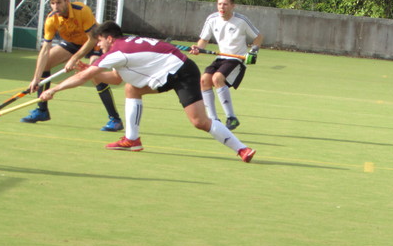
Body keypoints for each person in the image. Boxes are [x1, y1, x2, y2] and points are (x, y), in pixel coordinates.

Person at [39, 21, 256, 162]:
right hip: (168, 73)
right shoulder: (126, 44)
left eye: (100, 41)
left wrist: (54, 89)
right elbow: (116, 78)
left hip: (181, 72)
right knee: (131, 88)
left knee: (199, 121)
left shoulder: (117, 51)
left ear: (109, 38)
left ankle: (242, 149)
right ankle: (132, 139)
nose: (98, 46)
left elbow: (83, 78)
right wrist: (89, 70)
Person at [21, 0, 123, 131]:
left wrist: (74, 58)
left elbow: (92, 39)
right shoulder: (51, 19)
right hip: (73, 43)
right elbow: (45, 49)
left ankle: (115, 119)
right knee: (46, 62)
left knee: (94, 74)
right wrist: (36, 78)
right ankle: (42, 110)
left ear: (67, 1)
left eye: (59, 2)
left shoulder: (82, 10)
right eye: (53, 3)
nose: (56, 7)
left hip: (94, 43)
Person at [190, 0, 262, 130]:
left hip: (236, 59)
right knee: (204, 80)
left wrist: (253, 51)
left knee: (217, 78)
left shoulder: (241, 21)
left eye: (225, 4)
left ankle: (231, 118)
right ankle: (213, 119)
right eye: (219, 4)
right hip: (221, 57)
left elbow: (258, 37)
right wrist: (198, 48)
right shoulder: (212, 19)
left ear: (232, 6)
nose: (222, 7)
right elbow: (204, 40)